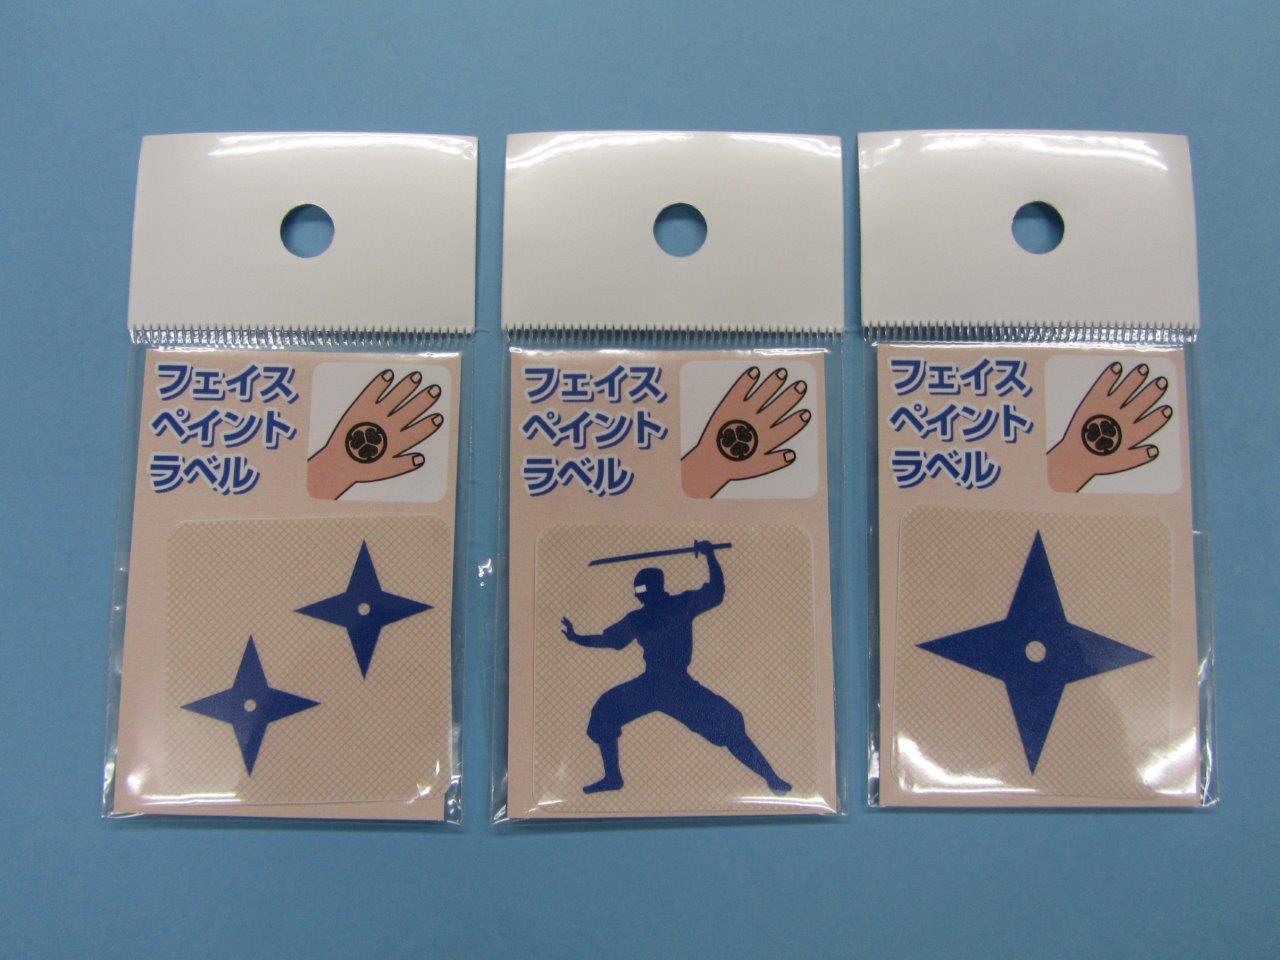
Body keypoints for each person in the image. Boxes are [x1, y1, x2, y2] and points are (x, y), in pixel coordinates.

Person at [561, 540, 791, 794]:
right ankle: (612, 777)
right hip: (653, 685)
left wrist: (710, 556)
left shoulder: (680, 605)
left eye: (641, 589)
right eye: (636, 590)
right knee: (605, 709)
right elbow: (610, 640)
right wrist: (577, 638)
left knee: (729, 723)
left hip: (677, 687)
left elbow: (716, 592)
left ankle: (771, 777)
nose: (638, 594)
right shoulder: (642, 617)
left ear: (655, 587)